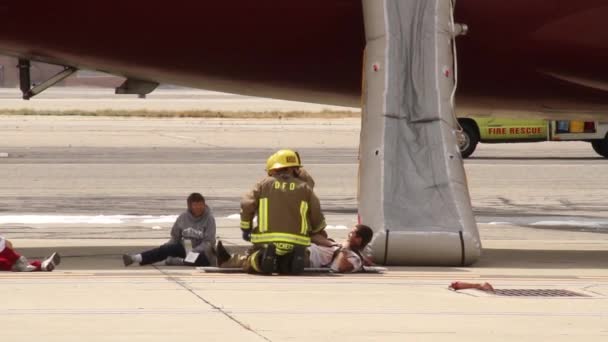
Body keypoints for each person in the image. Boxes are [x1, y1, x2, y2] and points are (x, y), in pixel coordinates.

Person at [240, 149, 326, 275]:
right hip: (298, 240)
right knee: (286, 264)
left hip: (266, 239)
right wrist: (317, 229)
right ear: (294, 169)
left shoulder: (263, 184)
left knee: (250, 260)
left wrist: (246, 228)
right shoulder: (304, 187)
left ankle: (261, 259)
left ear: (274, 169)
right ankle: (292, 260)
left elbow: (247, 204)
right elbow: (316, 212)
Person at [216, 224, 374, 273]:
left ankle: (228, 261)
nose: (348, 234)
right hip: (305, 247)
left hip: (306, 258)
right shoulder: (339, 246)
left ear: (359, 240)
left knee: (270, 256)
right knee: (270, 245)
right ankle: (230, 259)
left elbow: (338, 267)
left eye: (352, 233)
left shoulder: (355, 259)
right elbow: (317, 239)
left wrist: (343, 248)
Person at [122, 192, 216, 267]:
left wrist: (195, 251)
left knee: (203, 261)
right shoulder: (182, 218)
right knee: (164, 249)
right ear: (190, 206)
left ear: (204, 204)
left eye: (201, 205)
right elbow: (175, 237)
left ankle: (177, 261)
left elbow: (209, 242)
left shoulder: (209, 219)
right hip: (184, 248)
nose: (198, 207)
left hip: (201, 252)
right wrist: (166, 247)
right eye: (195, 205)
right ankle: (134, 258)